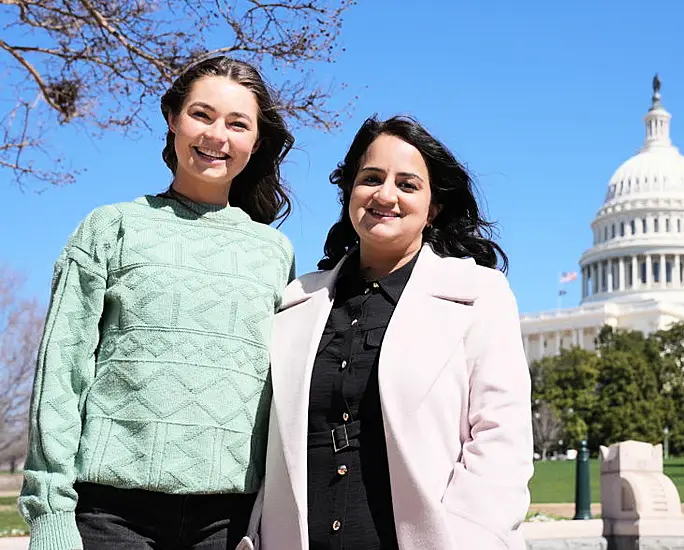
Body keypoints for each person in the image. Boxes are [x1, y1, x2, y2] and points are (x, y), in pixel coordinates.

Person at [18, 56, 296, 550]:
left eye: (238, 124)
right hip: (111, 515)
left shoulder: (275, 253)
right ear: (173, 119)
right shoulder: (111, 227)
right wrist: (50, 514)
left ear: (256, 142)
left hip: (227, 523)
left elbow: (279, 392)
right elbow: (62, 372)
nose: (217, 135)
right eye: (202, 115)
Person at [245, 115, 533, 550]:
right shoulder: (295, 302)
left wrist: (468, 538)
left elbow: (500, 438)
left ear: (433, 207)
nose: (385, 195)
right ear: (349, 193)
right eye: (371, 178)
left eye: (408, 184)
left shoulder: (478, 295)